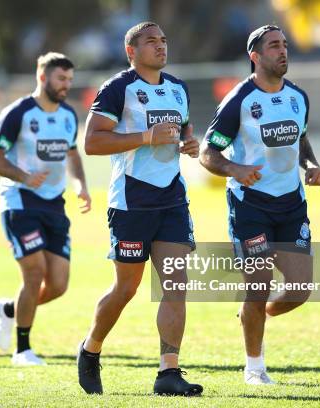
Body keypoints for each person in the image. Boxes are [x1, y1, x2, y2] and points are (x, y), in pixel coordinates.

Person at [76, 22, 203, 396]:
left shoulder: (178, 88)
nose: (161, 46)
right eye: (151, 41)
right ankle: (90, 348)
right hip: (131, 204)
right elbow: (92, 142)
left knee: (176, 287)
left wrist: (189, 143)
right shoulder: (117, 89)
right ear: (131, 51)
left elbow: (184, 128)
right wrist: (146, 137)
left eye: (164, 39)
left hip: (173, 201)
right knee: (126, 289)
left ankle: (169, 372)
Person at [199, 25, 320, 384]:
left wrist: (311, 164)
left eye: (285, 45)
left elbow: (300, 140)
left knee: (300, 289)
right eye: (274, 46)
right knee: (258, 285)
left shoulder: (298, 97)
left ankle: (254, 314)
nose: (282, 51)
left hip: (291, 206)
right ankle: (254, 368)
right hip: (250, 206)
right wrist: (234, 168)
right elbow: (208, 153)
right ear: (254, 56)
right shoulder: (239, 100)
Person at [0, 52, 91, 366]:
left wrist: (80, 184)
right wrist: (24, 177)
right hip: (19, 200)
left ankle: (8, 311)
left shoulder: (69, 115)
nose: (66, 85)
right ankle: (22, 350)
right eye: (61, 79)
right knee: (35, 273)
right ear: (42, 77)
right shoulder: (18, 112)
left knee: (57, 285)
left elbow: (72, 155)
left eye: (70, 80)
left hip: (54, 204)